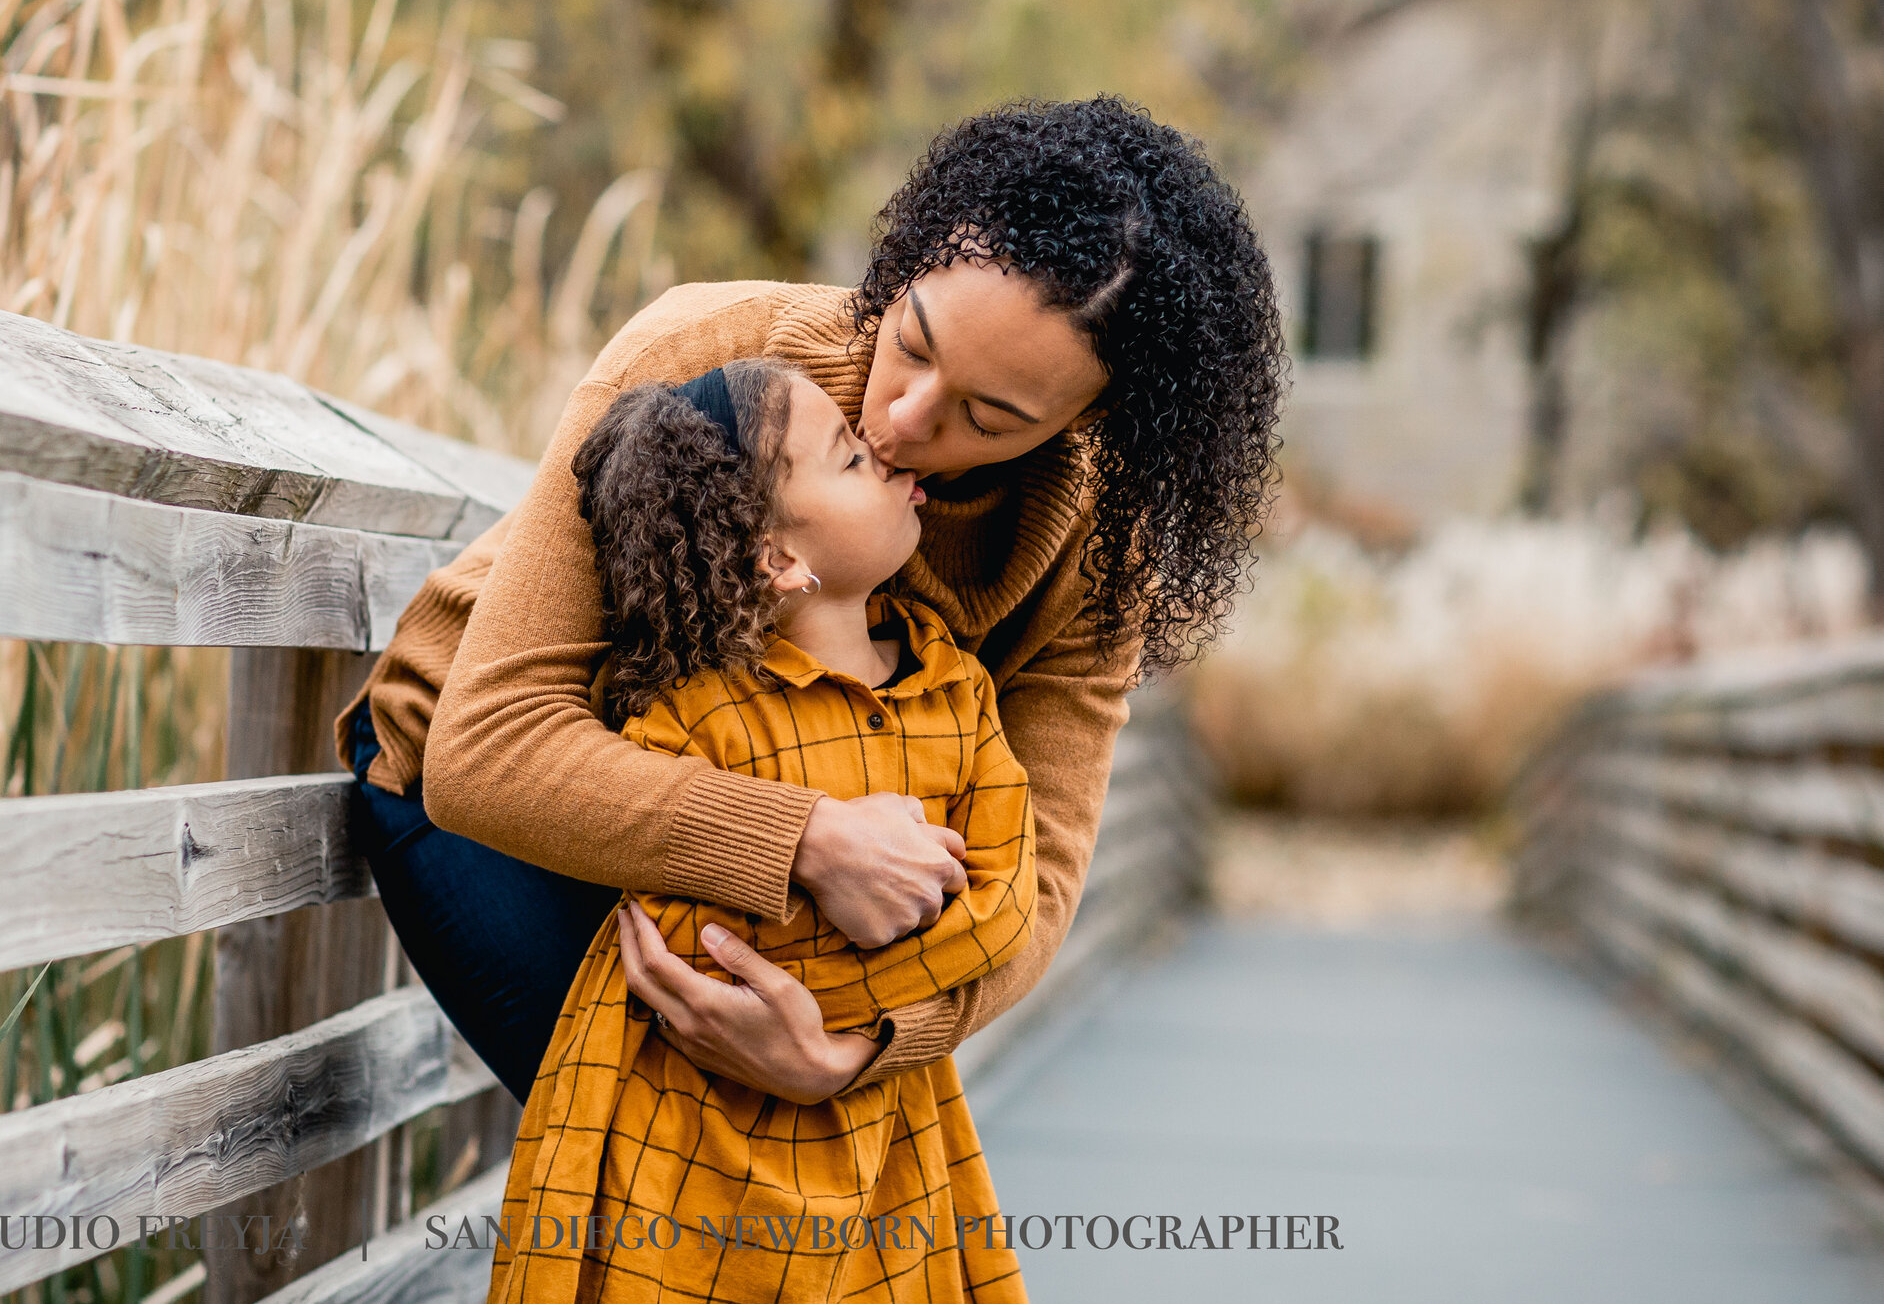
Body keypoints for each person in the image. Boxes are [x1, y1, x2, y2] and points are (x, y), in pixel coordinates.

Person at [338, 94, 1281, 1112]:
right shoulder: (710, 347)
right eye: (912, 343)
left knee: (811, 1121)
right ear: (914, 257)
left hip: (761, 819)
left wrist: (871, 1041)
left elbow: (1038, 880)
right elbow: (489, 751)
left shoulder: (1096, 550)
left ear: (1091, 419)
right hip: (490, 790)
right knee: (698, 1156)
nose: (899, 417)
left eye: (987, 415)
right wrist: (809, 840)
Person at [472, 356, 1040, 1304]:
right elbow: (682, 943)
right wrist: (873, 949)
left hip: (867, 1153)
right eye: (853, 457)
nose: (895, 461)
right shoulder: (691, 721)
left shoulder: (953, 691)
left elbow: (1006, 902)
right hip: (683, 1160)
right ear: (779, 555)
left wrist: (843, 1025)